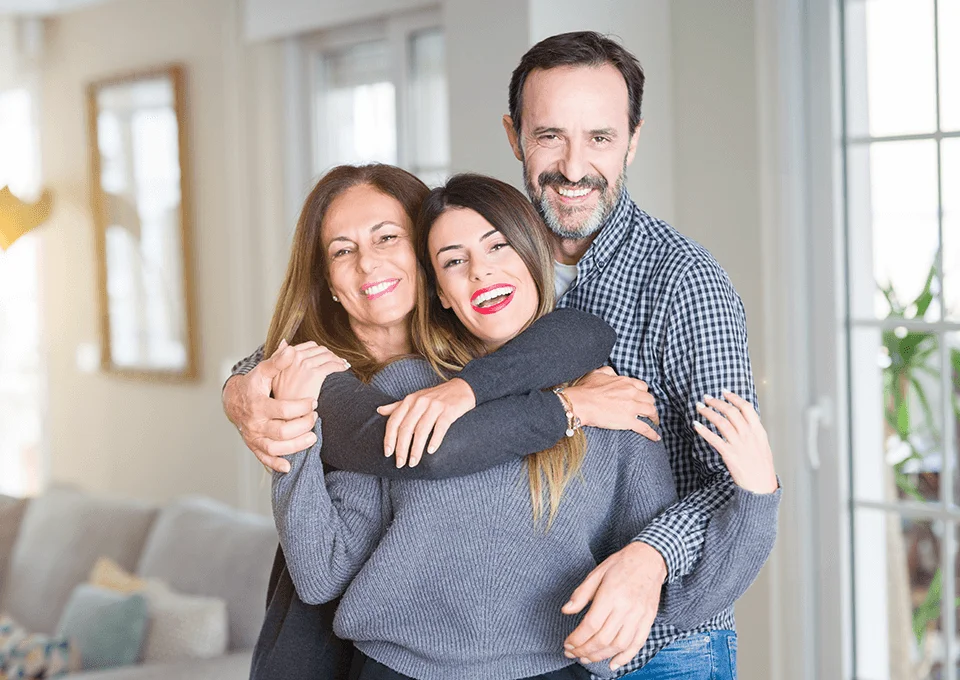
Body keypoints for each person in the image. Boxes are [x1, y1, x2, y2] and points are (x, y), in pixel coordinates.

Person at [227, 31, 781, 677]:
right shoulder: (409, 379)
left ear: (633, 138)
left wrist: (654, 554)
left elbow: (588, 341)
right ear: (516, 137)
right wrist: (248, 386)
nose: (573, 166)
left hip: (652, 645)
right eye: (551, 136)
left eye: (600, 136)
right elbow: (330, 552)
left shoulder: (667, 310)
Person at [240, 163, 658, 680]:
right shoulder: (325, 373)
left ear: (425, 263)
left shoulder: (471, 362)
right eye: (342, 250)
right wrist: (571, 409)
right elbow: (423, 451)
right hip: (332, 651)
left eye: (386, 237)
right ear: (326, 280)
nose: (368, 263)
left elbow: (584, 332)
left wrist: (467, 388)